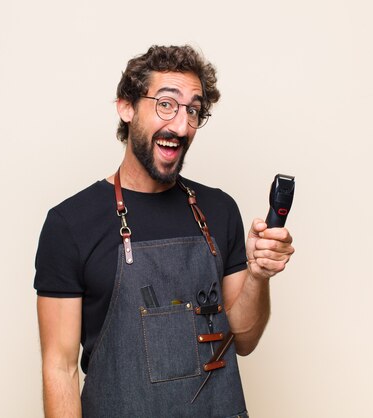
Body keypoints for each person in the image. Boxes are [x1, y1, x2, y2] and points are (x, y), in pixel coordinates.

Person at [34, 45, 294, 418]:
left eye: (193, 110)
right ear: (126, 107)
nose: (181, 124)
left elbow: (246, 339)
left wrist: (258, 274)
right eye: (166, 104)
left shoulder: (219, 209)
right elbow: (59, 368)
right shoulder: (70, 224)